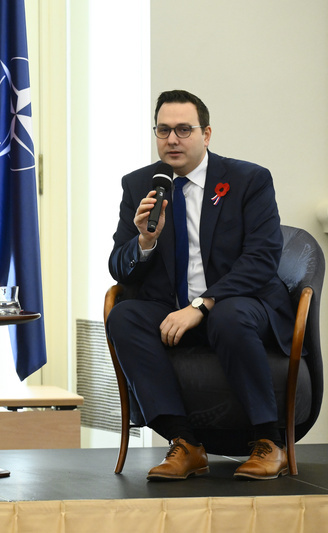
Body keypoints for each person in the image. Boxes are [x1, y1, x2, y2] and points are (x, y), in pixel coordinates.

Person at [106, 90, 295, 481]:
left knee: (228, 315)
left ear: (206, 134)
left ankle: (269, 441)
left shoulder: (248, 180)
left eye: (183, 130)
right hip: (172, 306)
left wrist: (202, 305)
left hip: (242, 303)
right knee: (124, 316)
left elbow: (261, 260)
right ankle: (185, 443)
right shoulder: (140, 184)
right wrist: (144, 241)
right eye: (163, 130)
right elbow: (119, 268)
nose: (172, 140)